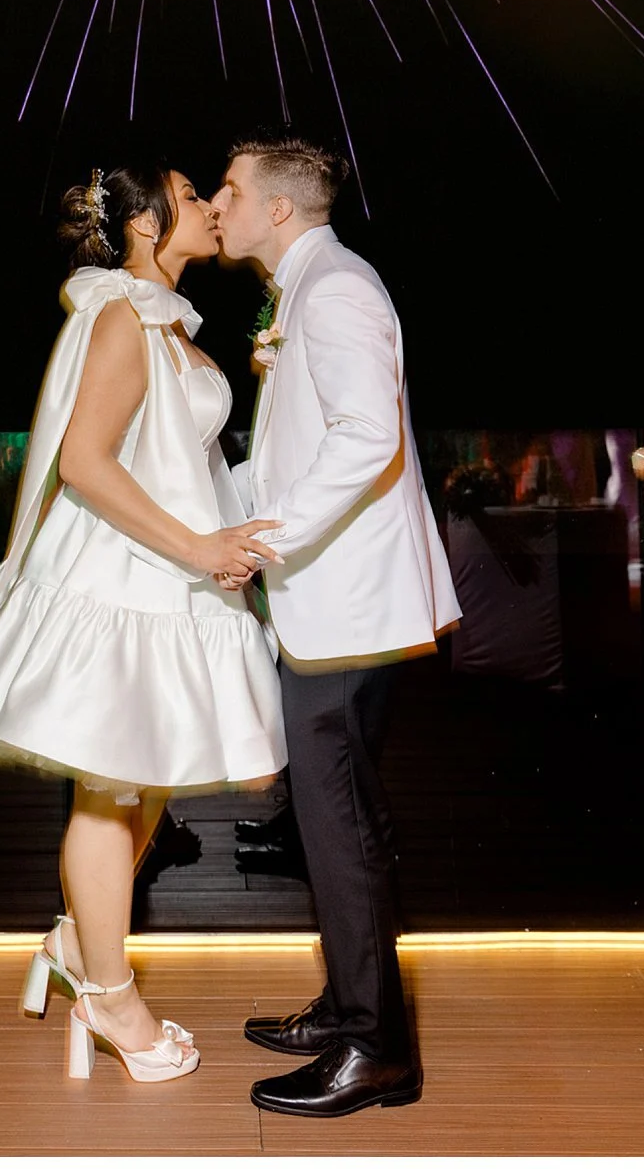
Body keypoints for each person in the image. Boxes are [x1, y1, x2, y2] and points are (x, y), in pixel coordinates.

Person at [0, 164, 286, 1084]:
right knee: (110, 789)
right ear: (143, 225)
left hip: (171, 575)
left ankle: (75, 943)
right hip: (122, 577)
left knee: (147, 779)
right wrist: (198, 547)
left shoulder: (163, 321)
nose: (209, 206)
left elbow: (176, 460)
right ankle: (111, 998)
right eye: (191, 195)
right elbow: (84, 462)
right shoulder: (122, 315)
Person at [210, 132, 461, 1118]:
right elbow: (292, 454)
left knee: (338, 823)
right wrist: (207, 510)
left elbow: (366, 437)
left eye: (229, 190)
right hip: (335, 606)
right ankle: (352, 1008)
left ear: (277, 208)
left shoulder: (337, 288)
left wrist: (260, 542)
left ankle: (373, 1049)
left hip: (347, 609)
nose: (218, 205)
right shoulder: (308, 287)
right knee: (336, 819)